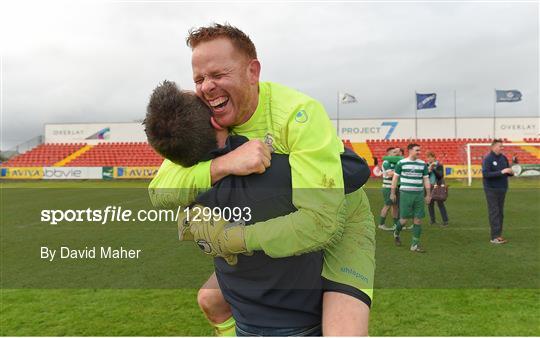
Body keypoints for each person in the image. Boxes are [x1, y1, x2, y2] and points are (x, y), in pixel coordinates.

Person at [145, 81, 374, 336]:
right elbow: (355, 170)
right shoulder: (273, 166)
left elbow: (157, 193)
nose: (204, 89)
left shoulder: (186, 158)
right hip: (324, 217)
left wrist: (226, 232)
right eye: (198, 88)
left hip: (341, 223)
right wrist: (227, 163)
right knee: (212, 300)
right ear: (215, 122)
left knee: (210, 300)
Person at [390, 143, 431, 253]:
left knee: (418, 219)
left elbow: (426, 180)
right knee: (403, 220)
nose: (419, 152)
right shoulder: (401, 163)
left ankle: (414, 245)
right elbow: (395, 179)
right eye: (417, 150)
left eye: (419, 150)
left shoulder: (423, 164)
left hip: (419, 194)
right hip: (405, 194)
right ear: (410, 150)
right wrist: (392, 192)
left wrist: (428, 194)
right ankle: (396, 233)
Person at [482, 139, 513, 244]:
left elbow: (507, 172)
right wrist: (501, 172)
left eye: (502, 146)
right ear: (493, 147)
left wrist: (510, 172)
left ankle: (498, 235)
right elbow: (486, 174)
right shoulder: (488, 159)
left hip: (502, 188)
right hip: (491, 189)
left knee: (500, 212)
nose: (502, 148)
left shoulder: (503, 158)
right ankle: (494, 237)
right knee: (494, 212)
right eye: (500, 146)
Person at [378, 147, 400, 231]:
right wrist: (401, 172)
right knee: (387, 206)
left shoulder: (395, 162)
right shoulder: (386, 162)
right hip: (387, 187)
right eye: (394, 152)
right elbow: (390, 174)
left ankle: (396, 224)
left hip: (394, 187)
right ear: (389, 154)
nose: (396, 154)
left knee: (395, 206)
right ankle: (381, 224)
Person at [426, 151, 449, 226]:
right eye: (428, 157)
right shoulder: (426, 165)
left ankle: (445, 221)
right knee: (430, 204)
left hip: (438, 186)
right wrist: (429, 170)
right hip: (429, 186)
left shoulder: (439, 165)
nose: (429, 159)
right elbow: (425, 176)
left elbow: (440, 176)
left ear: (434, 157)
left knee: (440, 203)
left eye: (431, 157)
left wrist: (433, 169)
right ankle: (432, 220)